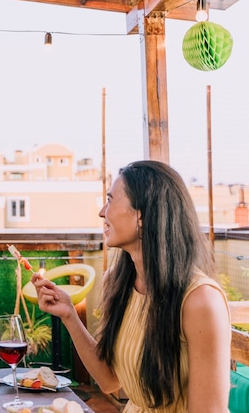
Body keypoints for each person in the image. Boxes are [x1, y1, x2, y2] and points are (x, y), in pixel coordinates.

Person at [32, 160, 231, 412]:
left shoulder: (200, 300)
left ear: (143, 215)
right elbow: (108, 380)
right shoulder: (117, 281)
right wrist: (69, 315)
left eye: (111, 199)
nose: (102, 212)